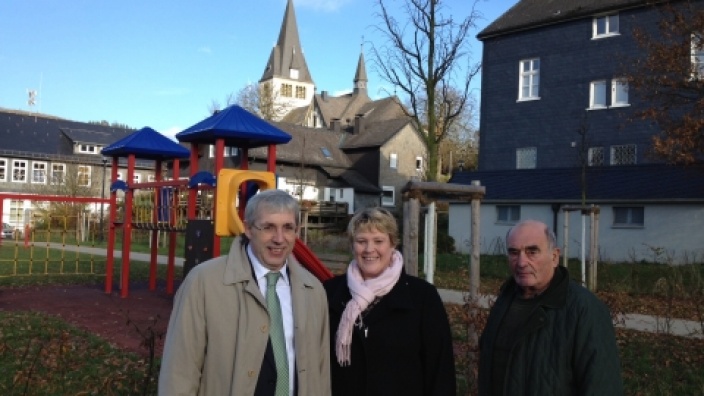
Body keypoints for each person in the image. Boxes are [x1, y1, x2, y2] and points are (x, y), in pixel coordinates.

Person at [159, 189, 330, 395]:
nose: (279, 238)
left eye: (288, 228)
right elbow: (180, 369)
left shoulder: (313, 289)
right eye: (268, 227)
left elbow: (320, 371)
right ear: (248, 229)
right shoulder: (204, 282)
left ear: (297, 231)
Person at [478, 220, 623, 395]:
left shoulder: (584, 310)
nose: (521, 262)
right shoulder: (506, 298)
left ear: (554, 257)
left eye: (532, 252)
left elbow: (602, 386)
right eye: (514, 252)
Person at [324, 207, 456, 395]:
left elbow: (440, 370)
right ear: (352, 245)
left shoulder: (423, 297)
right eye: (361, 241)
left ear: (393, 244)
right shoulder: (330, 293)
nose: (369, 249)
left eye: (379, 241)